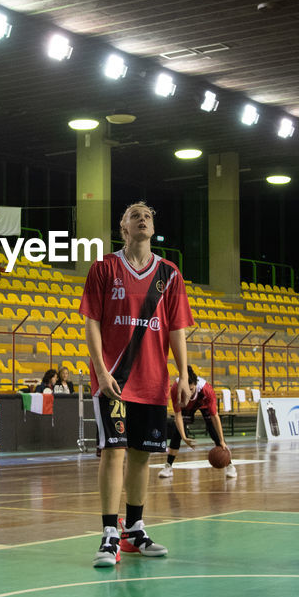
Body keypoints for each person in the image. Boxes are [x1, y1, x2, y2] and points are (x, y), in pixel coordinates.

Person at [79, 201, 194, 568]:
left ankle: (135, 530)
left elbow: (177, 328)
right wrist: (100, 369)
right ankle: (109, 535)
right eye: (135, 215)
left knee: (142, 456)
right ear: (123, 228)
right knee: (113, 451)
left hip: (153, 379)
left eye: (148, 214)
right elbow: (92, 322)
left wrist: (183, 375)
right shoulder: (104, 268)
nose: (143, 218)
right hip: (114, 378)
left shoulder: (170, 273)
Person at [159, 365, 235, 479]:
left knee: (214, 432)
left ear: (195, 384)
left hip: (202, 402)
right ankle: (168, 466)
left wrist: (222, 440)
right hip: (185, 405)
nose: (188, 393)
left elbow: (215, 417)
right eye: (185, 390)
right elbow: (178, 416)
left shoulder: (206, 390)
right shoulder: (175, 389)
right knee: (177, 432)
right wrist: (184, 437)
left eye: (191, 389)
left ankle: (230, 465)